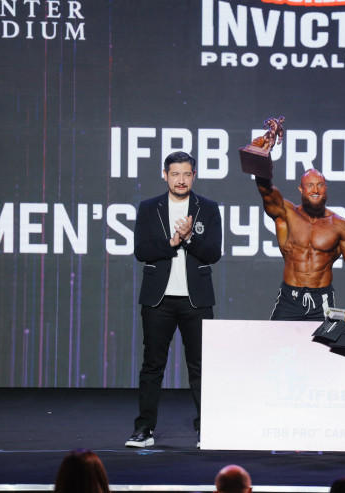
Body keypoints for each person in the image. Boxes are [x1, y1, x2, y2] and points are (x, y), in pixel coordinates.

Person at [125, 151, 222, 448]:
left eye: (187, 174)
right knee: (152, 366)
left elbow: (213, 253)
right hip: (159, 300)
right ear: (164, 175)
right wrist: (171, 242)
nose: (181, 180)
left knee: (201, 367)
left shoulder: (208, 208)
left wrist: (190, 237)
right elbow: (141, 251)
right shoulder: (149, 207)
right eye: (175, 174)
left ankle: (207, 428)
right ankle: (143, 429)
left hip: (196, 301)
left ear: (194, 176)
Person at [255, 168, 345, 322]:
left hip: (322, 301)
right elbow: (266, 191)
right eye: (310, 185)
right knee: (273, 337)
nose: (315, 190)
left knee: (325, 339)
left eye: (320, 185)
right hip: (289, 299)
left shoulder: (341, 226)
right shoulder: (287, 214)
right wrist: (260, 161)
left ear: (326, 188)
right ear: (301, 189)